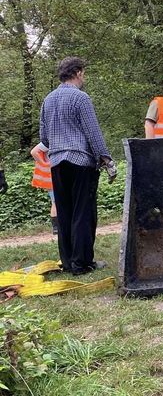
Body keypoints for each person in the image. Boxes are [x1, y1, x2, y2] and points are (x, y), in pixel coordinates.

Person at [39, 56, 116, 275]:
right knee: (83, 213)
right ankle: (82, 264)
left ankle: (68, 262)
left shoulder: (48, 100)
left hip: (56, 163)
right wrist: (106, 159)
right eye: (84, 73)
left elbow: (44, 137)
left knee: (64, 213)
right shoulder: (80, 98)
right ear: (78, 72)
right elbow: (93, 132)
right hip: (81, 162)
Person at [30, 142, 58, 235]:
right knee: (55, 202)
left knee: (55, 202)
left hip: (54, 175)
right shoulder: (49, 141)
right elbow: (34, 152)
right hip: (52, 175)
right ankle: (56, 228)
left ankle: (57, 227)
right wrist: (45, 164)